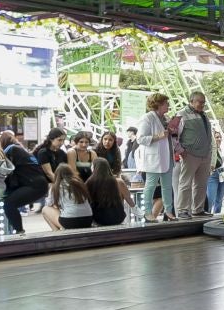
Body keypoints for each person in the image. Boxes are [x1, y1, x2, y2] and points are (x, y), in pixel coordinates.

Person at [136, 92, 176, 221]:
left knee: (167, 186)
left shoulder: (166, 118)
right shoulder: (147, 118)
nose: (168, 105)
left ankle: (168, 211)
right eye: (166, 103)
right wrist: (159, 136)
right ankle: (147, 212)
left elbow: (169, 138)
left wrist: (172, 132)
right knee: (150, 185)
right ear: (158, 104)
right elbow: (140, 139)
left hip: (168, 156)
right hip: (153, 158)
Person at [0, 132, 49, 234]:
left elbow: (2, 168)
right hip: (37, 184)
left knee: (9, 204)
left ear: (2, 141)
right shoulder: (18, 148)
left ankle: (19, 231)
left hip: (34, 185)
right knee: (9, 203)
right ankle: (18, 230)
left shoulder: (11, 150)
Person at [175, 89, 215, 217]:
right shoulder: (180, 114)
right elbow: (173, 135)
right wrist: (180, 150)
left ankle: (198, 209)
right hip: (190, 154)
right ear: (191, 101)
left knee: (201, 184)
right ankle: (182, 210)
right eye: (199, 102)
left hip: (205, 154)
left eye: (203, 102)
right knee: (185, 183)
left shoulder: (204, 115)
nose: (202, 104)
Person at [49, 163, 95, 230]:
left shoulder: (55, 186)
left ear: (57, 175)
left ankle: (58, 234)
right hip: (88, 219)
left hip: (69, 221)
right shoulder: (80, 183)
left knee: (45, 209)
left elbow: (49, 203)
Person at [87, 157, 129, 227]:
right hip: (118, 216)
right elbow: (126, 197)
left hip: (99, 218)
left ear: (94, 168)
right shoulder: (115, 181)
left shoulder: (90, 182)